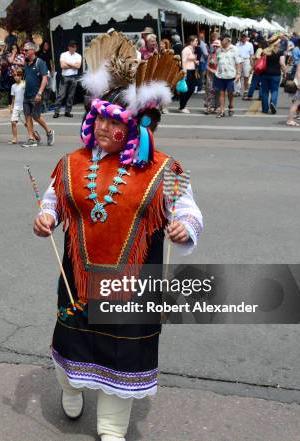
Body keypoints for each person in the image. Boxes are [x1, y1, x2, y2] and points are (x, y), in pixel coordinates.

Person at [33, 32, 202, 441]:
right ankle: (70, 388)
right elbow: (53, 201)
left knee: (124, 353)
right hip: (79, 278)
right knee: (72, 342)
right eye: (101, 118)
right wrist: (45, 216)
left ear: (137, 124)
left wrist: (185, 228)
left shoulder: (164, 169)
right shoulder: (70, 162)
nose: (106, 127)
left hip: (133, 282)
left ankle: (111, 428)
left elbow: (188, 210)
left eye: (116, 120)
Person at [22, 42, 55, 148]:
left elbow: (44, 79)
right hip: (27, 94)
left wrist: (39, 93)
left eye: (26, 50)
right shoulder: (26, 63)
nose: (24, 52)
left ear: (33, 51)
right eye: (24, 50)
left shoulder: (40, 63)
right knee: (27, 116)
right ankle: (31, 138)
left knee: (36, 116)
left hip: (36, 94)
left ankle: (49, 131)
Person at [214, 35, 242, 117]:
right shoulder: (219, 50)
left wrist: (238, 74)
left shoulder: (234, 49)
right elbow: (217, 61)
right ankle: (222, 111)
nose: (220, 41)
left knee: (230, 92)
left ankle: (230, 105)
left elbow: (238, 62)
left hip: (231, 75)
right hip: (220, 75)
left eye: (222, 39)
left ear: (228, 40)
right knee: (221, 93)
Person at [53, 41, 81, 118]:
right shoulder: (63, 54)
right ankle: (56, 111)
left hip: (74, 77)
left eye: (75, 47)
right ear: (69, 47)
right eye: (72, 47)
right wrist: (73, 65)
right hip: (64, 76)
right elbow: (62, 66)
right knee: (61, 95)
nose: (73, 48)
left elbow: (78, 66)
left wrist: (67, 63)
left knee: (71, 96)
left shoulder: (78, 56)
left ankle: (67, 111)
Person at [259, 35, 285, 114]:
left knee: (264, 91)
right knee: (274, 90)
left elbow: (260, 61)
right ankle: (273, 103)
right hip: (276, 74)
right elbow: (282, 63)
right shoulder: (280, 52)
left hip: (264, 73)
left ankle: (265, 109)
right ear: (276, 44)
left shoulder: (265, 51)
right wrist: (285, 72)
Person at [179, 35, 199, 113]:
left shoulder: (192, 49)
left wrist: (195, 61)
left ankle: (183, 104)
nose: (197, 42)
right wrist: (184, 72)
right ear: (191, 42)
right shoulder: (186, 50)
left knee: (191, 89)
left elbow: (189, 59)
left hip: (192, 70)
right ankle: (182, 106)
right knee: (186, 89)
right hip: (187, 71)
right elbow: (183, 61)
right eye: (196, 41)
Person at [9, 67, 25, 144]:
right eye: (14, 75)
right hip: (16, 107)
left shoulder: (24, 84)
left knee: (26, 124)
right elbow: (13, 98)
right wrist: (12, 106)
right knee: (13, 122)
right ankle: (14, 138)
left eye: (18, 75)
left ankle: (34, 135)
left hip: (23, 107)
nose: (16, 77)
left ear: (21, 75)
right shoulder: (13, 86)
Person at [204, 39, 221, 114]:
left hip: (220, 75)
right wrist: (211, 70)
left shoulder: (222, 55)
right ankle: (209, 106)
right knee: (210, 90)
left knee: (218, 91)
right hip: (210, 75)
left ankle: (217, 106)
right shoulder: (210, 55)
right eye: (214, 46)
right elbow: (206, 65)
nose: (215, 48)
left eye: (217, 46)